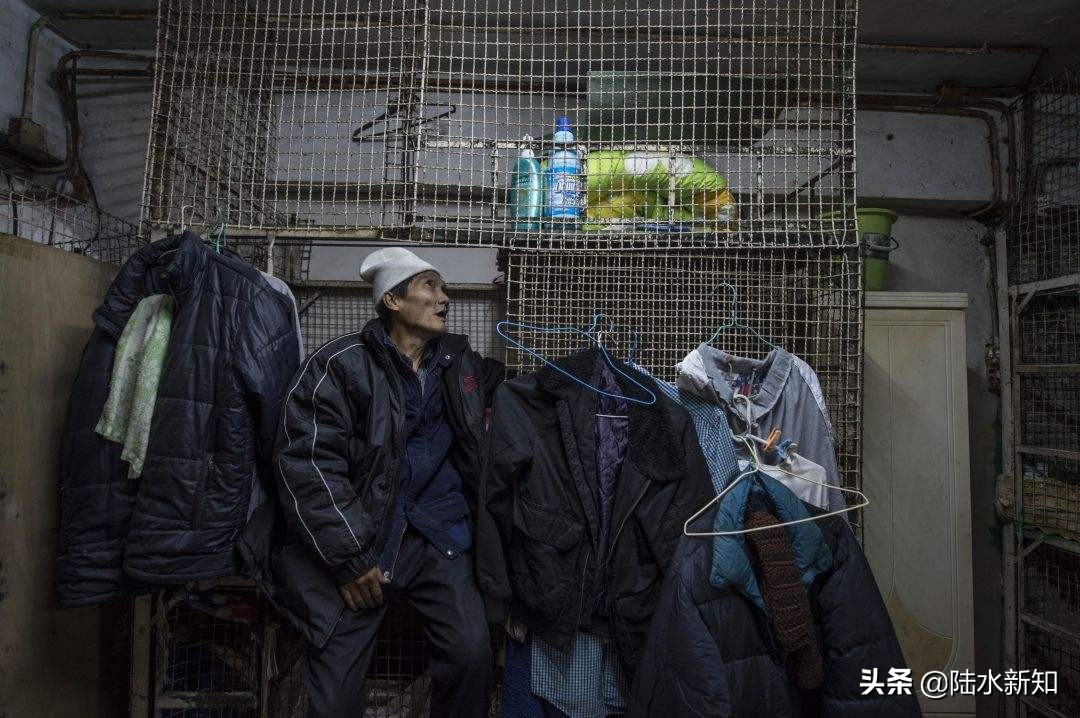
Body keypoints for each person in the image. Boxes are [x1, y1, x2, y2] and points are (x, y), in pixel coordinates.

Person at [271, 248, 504, 717]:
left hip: (439, 534)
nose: (445, 297)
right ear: (392, 301)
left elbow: (511, 389)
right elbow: (308, 464)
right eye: (430, 286)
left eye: (443, 287)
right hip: (366, 537)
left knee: (471, 656)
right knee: (334, 692)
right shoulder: (340, 366)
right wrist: (350, 558)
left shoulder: (458, 363)